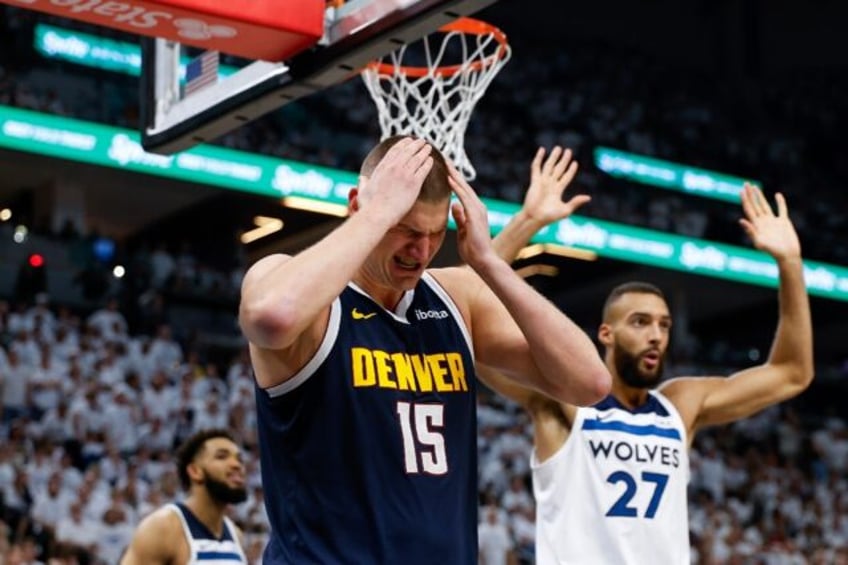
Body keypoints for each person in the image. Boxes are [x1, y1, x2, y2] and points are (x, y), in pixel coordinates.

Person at [238, 136, 612, 564]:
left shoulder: (456, 297)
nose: (421, 252)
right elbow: (272, 318)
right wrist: (378, 214)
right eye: (407, 230)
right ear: (360, 205)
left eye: (436, 235)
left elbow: (590, 383)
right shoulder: (301, 293)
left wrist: (488, 261)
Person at [479, 146, 815, 564]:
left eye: (663, 325)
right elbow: (472, 325)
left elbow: (791, 372)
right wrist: (528, 222)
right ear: (606, 334)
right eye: (640, 322)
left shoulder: (682, 405)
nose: (656, 335)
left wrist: (791, 263)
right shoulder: (561, 397)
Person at [119, 429, 249, 564]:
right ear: (195, 471)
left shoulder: (236, 535)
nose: (237, 465)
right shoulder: (162, 528)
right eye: (221, 456)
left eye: (239, 459)